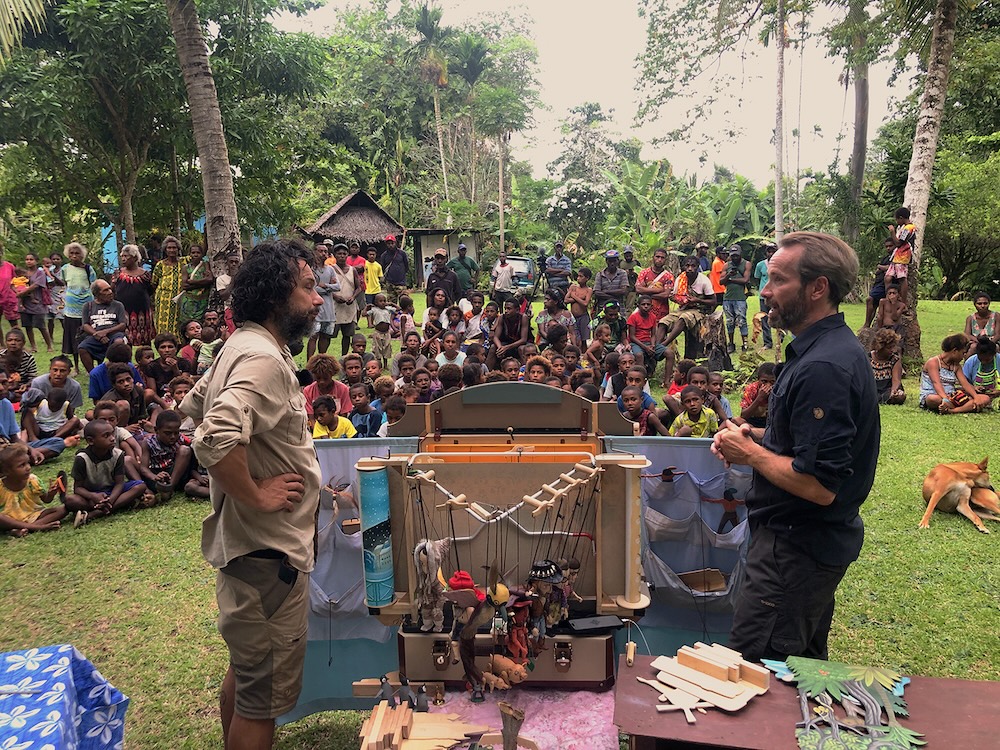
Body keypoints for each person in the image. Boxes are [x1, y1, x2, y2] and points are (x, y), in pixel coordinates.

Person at [711, 231, 880, 663]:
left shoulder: (824, 365)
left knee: (758, 676)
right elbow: (807, 446)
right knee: (799, 670)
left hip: (795, 553)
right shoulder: (818, 350)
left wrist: (750, 455)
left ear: (818, 287)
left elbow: (820, 485)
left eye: (778, 280)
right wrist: (757, 437)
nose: (764, 291)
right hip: (798, 547)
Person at [180, 238, 322, 748]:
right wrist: (256, 493)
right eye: (308, 288)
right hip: (267, 555)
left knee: (246, 674)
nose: (319, 299)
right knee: (260, 701)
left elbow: (192, 405)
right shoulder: (260, 358)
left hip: (251, 553)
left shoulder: (238, 346)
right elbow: (214, 433)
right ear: (275, 296)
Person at [65, 419, 149, 528]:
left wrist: (110, 500)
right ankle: (123, 503)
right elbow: (78, 488)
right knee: (70, 500)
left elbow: (119, 483)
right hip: (92, 495)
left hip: (112, 492)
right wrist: (94, 496)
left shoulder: (118, 455)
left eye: (112, 434)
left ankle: (93, 514)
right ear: (91, 441)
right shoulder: (82, 459)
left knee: (140, 486)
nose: (112, 438)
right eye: (106, 436)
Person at [0, 443, 67, 537]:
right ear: (6, 471)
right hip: (10, 519)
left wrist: (51, 494)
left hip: (34, 515)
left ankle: (23, 529)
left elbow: (46, 500)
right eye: (22, 465)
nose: (28, 467)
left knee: (63, 509)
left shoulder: (33, 480)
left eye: (28, 463)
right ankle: (38, 527)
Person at [919, 334, 988, 413]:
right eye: (963, 353)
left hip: (952, 396)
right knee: (932, 399)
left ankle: (952, 410)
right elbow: (936, 383)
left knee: (985, 398)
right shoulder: (933, 362)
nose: (963, 357)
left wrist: (976, 397)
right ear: (955, 351)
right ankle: (965, 407)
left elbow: (965, 384)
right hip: (935, 395)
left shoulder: (956, 366)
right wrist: (945, 398)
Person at [138, 410, 193, 504]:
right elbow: (143, 468)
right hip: (156, 475)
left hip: (175, 474)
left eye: (176, 433)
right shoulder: (148, 443)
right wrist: (155, 477)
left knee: (185, 450)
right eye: (167, 433)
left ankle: (170, 487)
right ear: (156, 430)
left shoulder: (181, 439)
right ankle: (158, 489)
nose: (173, 437)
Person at [77, 280, 128, 373]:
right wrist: (97, 334)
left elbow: (122, 324)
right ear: (97, 294)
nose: (110, 292)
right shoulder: (88, 306)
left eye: (110, 289)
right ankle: (94, 374)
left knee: (119, 343)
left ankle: (118, 371)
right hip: (95, 336)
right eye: (105, 290)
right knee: (82, 348)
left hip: (114, 334)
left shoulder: (118, 305)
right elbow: (85, 325)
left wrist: (106, 332)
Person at [112, 244, 155, 346]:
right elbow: (112, 289)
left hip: (142, 311)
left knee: (145, 337)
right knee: (126, 339)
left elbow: (151, 290)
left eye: (126, 256)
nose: (123, 259)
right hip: (124, 310)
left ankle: (147, 359)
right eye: (122, 256)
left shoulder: (145, 274)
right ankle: (127, 360)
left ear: (135, 258)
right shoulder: (118, 273)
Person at [330, 243, 364, 356]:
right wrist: (335, 296)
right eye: (339, 254)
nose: (342, 256)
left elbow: (358, 287)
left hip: (348, 307)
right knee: (328, 335)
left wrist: (353, 297)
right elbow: (326, 287)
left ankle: (344, 356)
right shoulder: (331, 270)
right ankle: (326, 357)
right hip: (334, 307)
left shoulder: (352, 270)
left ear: (347, 255)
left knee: (347, 335)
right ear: (334, 255)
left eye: (344, 254)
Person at [16, 253, 53, 352]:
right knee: (27, 326)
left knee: (41, 326)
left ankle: (49, 346)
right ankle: (33, 346)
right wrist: (18, 292)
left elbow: (36, 285)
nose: (28, 261)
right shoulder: (23, 273)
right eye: (27, 259)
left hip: (37, 303)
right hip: (24, 303)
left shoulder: (40, 273)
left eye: (31, 259)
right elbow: (16, 284)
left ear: (36, 261)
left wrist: (23, 292)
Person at [720, 245, 751, 353]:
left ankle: (745, 344)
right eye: (732, 256)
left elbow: (746, 280)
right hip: (728, 298)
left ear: (740, 254)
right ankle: (731, 343)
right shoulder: (726, 265)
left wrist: (731, 280)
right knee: (729, 322)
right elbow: (721, 281)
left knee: (742, 321)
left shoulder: (746, 264)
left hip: (740, 298)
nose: (735, 258)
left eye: (736, 255)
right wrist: (729, 275)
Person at [151, 235, 184, 336]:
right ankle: (163, 342)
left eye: (174, 247)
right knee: (163, 324)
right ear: (165, 250)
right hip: (163, 301)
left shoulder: (184, 262)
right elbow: (154, 282)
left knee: (178, 323)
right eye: (169, 248)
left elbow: (201, 253)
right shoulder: (160, 265)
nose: (172, 250)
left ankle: (177, 345)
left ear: (178, 249)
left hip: (180, 299)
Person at [627, 295, 666, 375]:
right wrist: (645, 348)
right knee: (639, 355)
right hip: (636, 342)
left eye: (648, 305)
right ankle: (642, 378)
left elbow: (653, 334)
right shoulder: (633, 317)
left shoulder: (653, 317)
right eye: (643, 304)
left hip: (648, 342)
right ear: (638, 306)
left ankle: (667, 380)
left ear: (651, 306)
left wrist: (652, 345)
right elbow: (632, 336)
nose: (646, 306)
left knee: (669, 353)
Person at [303, 354, 351, 418]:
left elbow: (344, 415)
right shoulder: (308, 391)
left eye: (326, 378)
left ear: (332, 374)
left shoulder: (343, 389)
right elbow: (310, 417)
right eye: (318, 378)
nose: (322, 382)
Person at [635, 248, 674, 325]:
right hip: (644, 309)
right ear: (653, 257)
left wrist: (646, 294)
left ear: (665, 260)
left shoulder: (668, 276)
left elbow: (665, 295)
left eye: (662, 258)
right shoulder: (644, 272)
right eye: (657, 257)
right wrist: (658, 290)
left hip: (661, 312)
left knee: (660, 334)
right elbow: (638, 289)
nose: (659, 259)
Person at [863, 239, 895, 329]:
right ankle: (867, 324)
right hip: (878, 283)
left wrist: (880, 267)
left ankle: (868, 325)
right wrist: (881, 268)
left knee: (870, 300)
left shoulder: (896, 257)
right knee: (872, 303)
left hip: (885, 285)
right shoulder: (885, 258)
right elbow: (877, 271)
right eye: (886, 246)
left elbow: (890, 268)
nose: (888, 248)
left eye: (890, 246)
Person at [886, 206, 915, 303]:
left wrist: (892, 232)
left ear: (901, 218)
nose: (897, 221)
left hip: (903, 257)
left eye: (897, 219)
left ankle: (903, 301)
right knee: (888, 277)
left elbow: (899, 243)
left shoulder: (908, 228)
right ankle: (888, 298)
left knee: (902, 278)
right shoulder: (903, 228)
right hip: (896, 257)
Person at [870, 328, 906, 405]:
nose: (893, 350)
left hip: (887, 389)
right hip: (872, 389)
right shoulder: (867, 358)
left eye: (894, 347)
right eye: (889, 348)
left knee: (900, 396)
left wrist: (894, 392)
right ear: (880, 347)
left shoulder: (894, 359)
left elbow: (896, 380)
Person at [962, 335, 1000, 406]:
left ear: (994, 354)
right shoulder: (971, 362)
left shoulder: (999, 359)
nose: (983, 362)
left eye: (987, 360)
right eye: (980, 359)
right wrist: (973, 388)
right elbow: (963, 382)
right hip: (977, 396)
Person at [739, 362, 777, 428]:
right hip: (752, 421)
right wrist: (759, 398)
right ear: (758, 380)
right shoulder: (751, 389)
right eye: (764, 381)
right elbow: (743, 415)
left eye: (772, 382)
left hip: (772, 424)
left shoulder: (779, 389)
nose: (768, 385)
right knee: (736, 421)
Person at [0, 328, 37, 395]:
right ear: (6, 342)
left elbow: (33, 378)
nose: (13, 343)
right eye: (10, 340)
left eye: (17, 340)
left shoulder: (28, 357)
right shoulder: (1, 355)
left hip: (22, 388)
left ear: (23, 343)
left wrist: (26, 385)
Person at [753, 242, 776, 348]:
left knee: (781, 316)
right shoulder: (760, 265)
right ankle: (768, 342)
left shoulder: (781, 264)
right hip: (764, 297)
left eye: (773, 251)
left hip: (777, 296)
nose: (771, 254)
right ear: (766, 253)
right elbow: (757, 278)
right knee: (764, 318)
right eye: (769, 251)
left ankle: (781, 339)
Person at [565, 267, 594, 347]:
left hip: (584, 317)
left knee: (584, 340)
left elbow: (585, 304)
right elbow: (566, 300)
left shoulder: (588, 290)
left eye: (581, 276)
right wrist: (580, 299)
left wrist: (574, 296)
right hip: (573, 317)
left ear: (587, 278)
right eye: (578, 276)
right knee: (575, 338)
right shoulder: (573, 287)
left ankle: (584, 356)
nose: (578, 278)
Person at [379, 234, 409, 304]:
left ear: (395, 243)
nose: (390, 245)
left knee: (404, 302)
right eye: (388, 243)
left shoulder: (402, 254)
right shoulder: (384, 255)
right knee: (391, 305)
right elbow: (383, 268)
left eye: (392, 243)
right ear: (386, 244)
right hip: (390, 283)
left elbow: (406, 266)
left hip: (401, 283)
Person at [0, 244, 19, 335]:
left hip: (9, 299)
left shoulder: (9, 266)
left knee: (14, 323)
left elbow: (15, 282)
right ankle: (2, 345)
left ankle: (18, 343)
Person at [363, 247, 384, 322]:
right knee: (369, 307)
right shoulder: (364, 264)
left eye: (373, 254)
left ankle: (377, 321)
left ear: (375, 255)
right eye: (370, 254)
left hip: (376, 289)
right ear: (367, 255)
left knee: (378, 307)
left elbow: (380, 277)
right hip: (367, 289)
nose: (372, 256)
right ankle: (369, 323)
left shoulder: (378, 266)